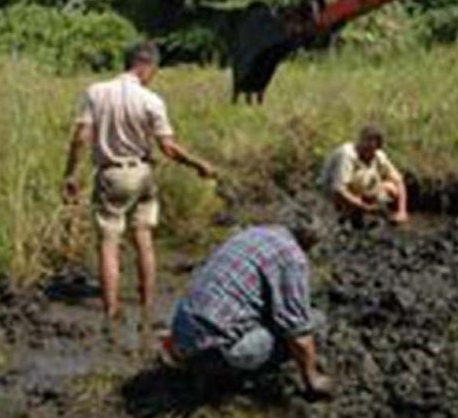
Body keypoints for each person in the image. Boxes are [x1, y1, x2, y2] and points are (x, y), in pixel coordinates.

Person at [62, 40, 217, 323]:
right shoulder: (151, 100)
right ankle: (147, 304)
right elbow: (168, 148)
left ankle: (111, 309)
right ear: (145, 66)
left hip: (111, 174)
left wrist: (70, 174)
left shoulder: (95, 92)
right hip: (143, 173)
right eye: (154, 70)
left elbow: (80, 137)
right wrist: (199, 164)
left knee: (109, 243)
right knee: (143, 239)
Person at [165, 214, 335, 399]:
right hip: (215, 351)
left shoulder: (252, 233)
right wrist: (312, 379)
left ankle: (197, 363)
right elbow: (298, 331)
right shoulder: (292, 256)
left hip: (181, 332)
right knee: (315, 322)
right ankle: (223, 379)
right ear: (311, 243)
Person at [319, 126, 409, 224]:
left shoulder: (378, 156)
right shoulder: (347, 154)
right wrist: (365, 207)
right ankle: (350, 213)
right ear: (360, 141)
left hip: (360, 188)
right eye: (366, 144)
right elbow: (338, 189)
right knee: (355, 203)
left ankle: (377, 210)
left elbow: (399, 180)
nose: (368, 150)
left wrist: (402, 211)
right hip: (333, 195)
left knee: (391, 188)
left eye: (372, 147)